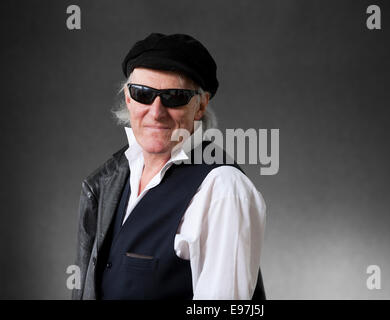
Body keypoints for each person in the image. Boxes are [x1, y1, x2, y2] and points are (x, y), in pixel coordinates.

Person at [72, 33, 266, 300]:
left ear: (200, 105)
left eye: (174, 96)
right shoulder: (113, 178)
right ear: (128, 99)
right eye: (143, 94)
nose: (156, 112)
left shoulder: (223, 189)